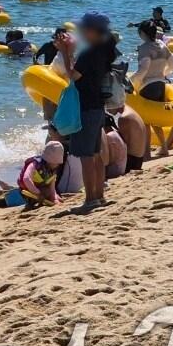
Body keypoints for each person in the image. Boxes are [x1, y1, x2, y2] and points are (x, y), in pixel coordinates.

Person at [54, 11, 118, 213]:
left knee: (86, 156)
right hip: (98, 106)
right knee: (96, 154)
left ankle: (91, 199)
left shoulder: (89, 53)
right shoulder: (104, 51)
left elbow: (73, 75)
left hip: (86, 107)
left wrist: (65, 51)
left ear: (91, 30)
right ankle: (98, 195)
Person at [0, 140, 64, 209]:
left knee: (51, 194)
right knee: (4, 202)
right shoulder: (35, 164)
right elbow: (26, 178)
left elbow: (52, 186)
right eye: (54, 163)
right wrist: (37, 193)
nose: (56, 165)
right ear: (48, 159)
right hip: (26, 192)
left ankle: (5, 190)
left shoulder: (52, 169)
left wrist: (54, 198)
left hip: (39, 190)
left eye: (57, 163)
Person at [115, 102, 148, 172]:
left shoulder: (124, 117)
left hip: (130, 163)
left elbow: (122, 146)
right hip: (139, 160)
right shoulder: (132, 112)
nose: (106, 109)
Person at [103, 115, 129, 179]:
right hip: (122, 168)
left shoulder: (109, 136)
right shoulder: (116, 133)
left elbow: (110, 159)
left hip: (114, 171)